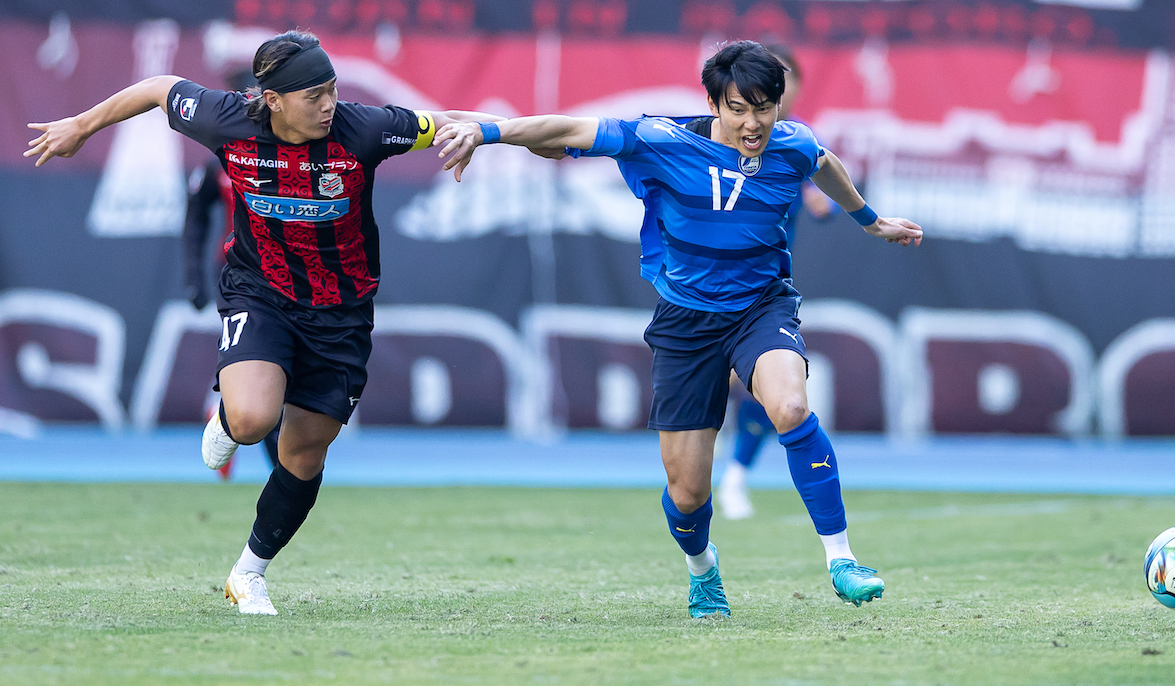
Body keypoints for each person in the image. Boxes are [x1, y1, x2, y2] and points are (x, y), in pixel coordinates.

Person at [435, 40, 922, 617]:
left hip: (761, 307)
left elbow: (824, 163)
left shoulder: (793, 143)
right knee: (688, 494)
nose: (753, 124)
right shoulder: (662, 140)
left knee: (790, 406)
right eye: (738, 109)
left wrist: (870, 221)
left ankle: (842, 558)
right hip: (686, 324)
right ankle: (702, 568)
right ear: (714, 104)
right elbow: (565, 129)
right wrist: (488, 133)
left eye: (764, 109)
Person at [26, 30, 501, 616]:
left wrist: (502, 133)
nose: (328, 105)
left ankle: (248, 572)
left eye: (332, 91)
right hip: (261, 293)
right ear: (271, 99)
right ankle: (231, 414)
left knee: (304, 454)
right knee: (253, 421)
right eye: (314, 96)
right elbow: (158, 88)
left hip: (341, 313)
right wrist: (80, 126)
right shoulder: (228, 120)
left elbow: (447, 121)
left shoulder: (365, 130)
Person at [717, 44, 834, 520]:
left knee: (768, 386)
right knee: (720, 379)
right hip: (708, 280)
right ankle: (709, 457)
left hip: (763, 287)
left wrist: (824, 202)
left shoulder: (795, 140)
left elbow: (823, 185)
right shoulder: (717, 135)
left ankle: (734, 476)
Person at [183, 70, 280, 479]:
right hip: (240, 274)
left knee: (282, 369)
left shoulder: (299, 154)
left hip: (293, 273)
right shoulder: (221, 162)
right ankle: (233, 417)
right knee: (267, 364)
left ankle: (226, 409)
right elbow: (195, 217)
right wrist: (194, 277)